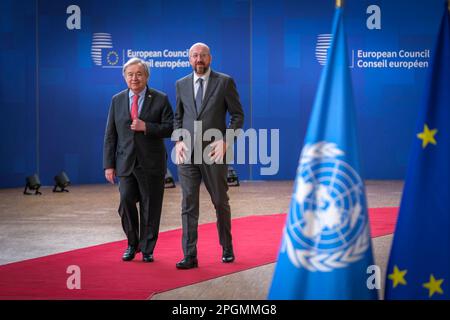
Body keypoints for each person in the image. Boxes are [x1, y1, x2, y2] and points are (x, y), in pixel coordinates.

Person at [174, 42, 244, 269]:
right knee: (188, 204)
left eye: (203, 55)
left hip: (214, 153)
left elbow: (237, 116)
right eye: (194, 56)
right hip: (187, 156)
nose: (199, 59)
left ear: (210, 58)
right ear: (189, 60)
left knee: (220, 201)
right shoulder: (181, 84)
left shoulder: (224, 82)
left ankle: (227, 247)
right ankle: (190, 255)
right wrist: (178, 140)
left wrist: (226, 140)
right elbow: (178, 116)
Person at [103, 57, 174, 263]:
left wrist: (147, 127)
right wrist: (109, 164)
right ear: (125, 77)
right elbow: (110, 134)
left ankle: (147, 248)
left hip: (152, 164)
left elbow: (171, 127)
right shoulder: (117, 100)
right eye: (130, 74)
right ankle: (132, 244)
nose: (134, 78)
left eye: (139, 74)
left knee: (150, 207)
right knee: (125, 201)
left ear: (147, 76)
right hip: (125, 163)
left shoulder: (160, 98)